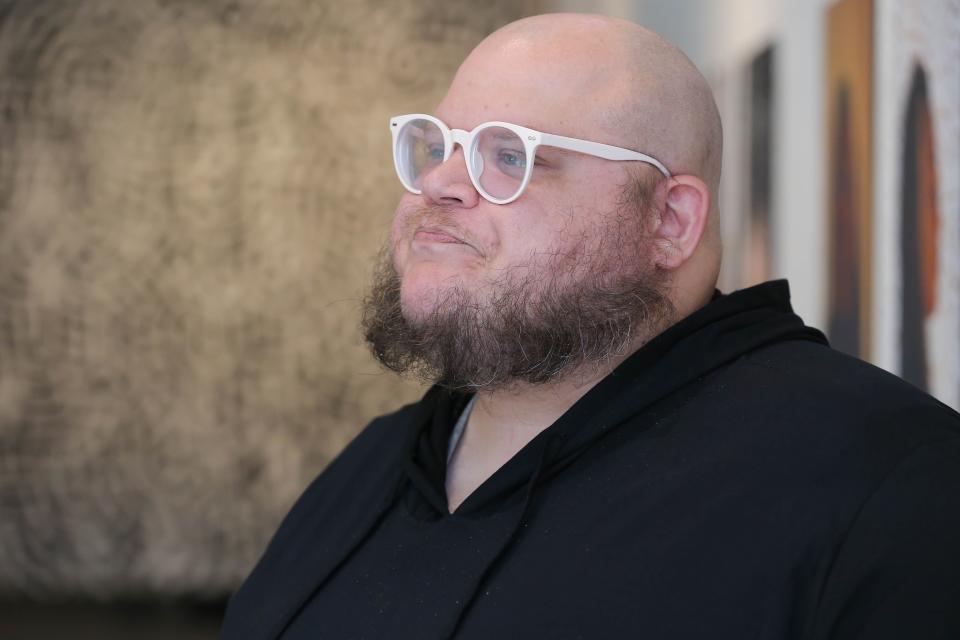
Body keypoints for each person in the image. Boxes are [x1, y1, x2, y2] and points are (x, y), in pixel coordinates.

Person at [220, 13, 960, 639]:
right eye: (437, 147)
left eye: (506, 156)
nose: (439, 185)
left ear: (669, 221)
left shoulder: (881, 482)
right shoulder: (369, 470)